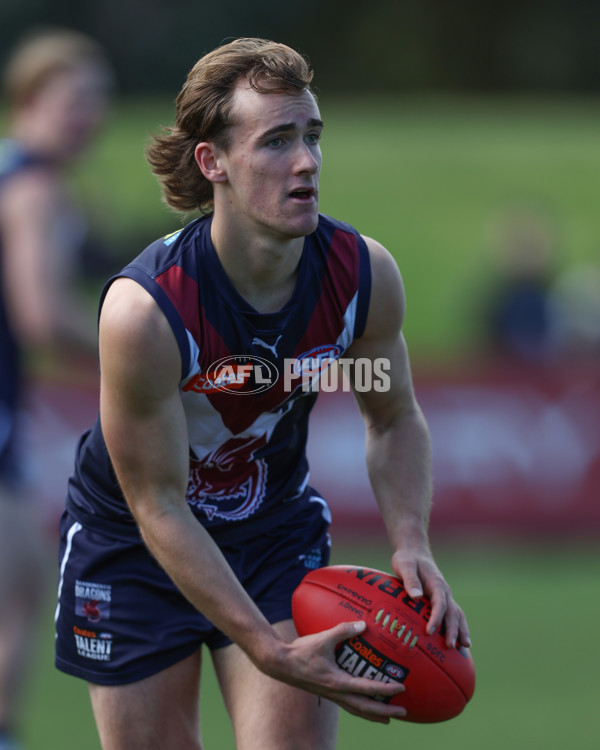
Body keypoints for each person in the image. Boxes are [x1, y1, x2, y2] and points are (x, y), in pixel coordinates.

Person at [54, 37, 470, 750]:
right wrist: (266, 650)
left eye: (312, 136)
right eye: (276, 141)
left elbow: (393, 413)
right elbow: (158, 504)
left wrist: (411, 540)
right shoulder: (146, 313)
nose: (306, 161)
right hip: (133, 545)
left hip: (271, 535)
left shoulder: (362, 276)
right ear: (212, 163)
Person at [0, 28, 112, 750]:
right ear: (30, 99)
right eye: (75, 99)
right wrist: (135, 341)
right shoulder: (34, 188)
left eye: (98, 102)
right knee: (18, 588)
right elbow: (39, 314)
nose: (90, 117)